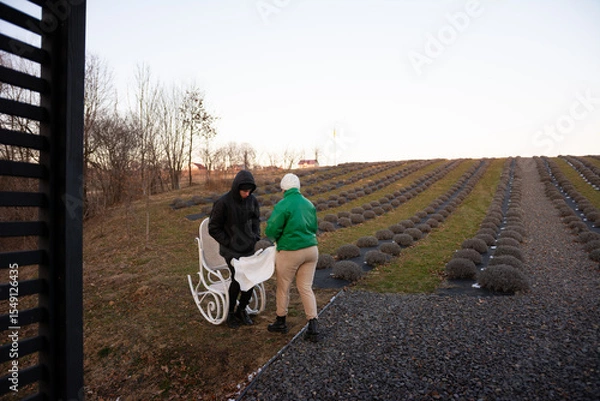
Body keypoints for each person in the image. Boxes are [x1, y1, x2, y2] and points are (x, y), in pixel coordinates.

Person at [265, 173, 320, 342]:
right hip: (311, 250)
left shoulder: (283, 205)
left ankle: (281, 321)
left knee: (283, 286)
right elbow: (313, 227)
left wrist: (274, 238)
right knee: (305, 287)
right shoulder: (308, 204)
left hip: (290, 250)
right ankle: (313, 325)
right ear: (298, 187)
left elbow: (272, 230)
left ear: (283, 188)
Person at [209, 170, 261, 329]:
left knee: (251, 277)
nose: (247, 194)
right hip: (230, 249)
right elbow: (213, 228)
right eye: (244, 191)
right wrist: (229, 242)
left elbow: (256, 220)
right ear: (236, 187)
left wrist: (255, 236)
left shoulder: (252, 200)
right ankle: (230, 313)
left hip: (248, 247)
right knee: (238, 278)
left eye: (249, 191)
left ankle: (242, 310)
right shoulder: (223, 202)